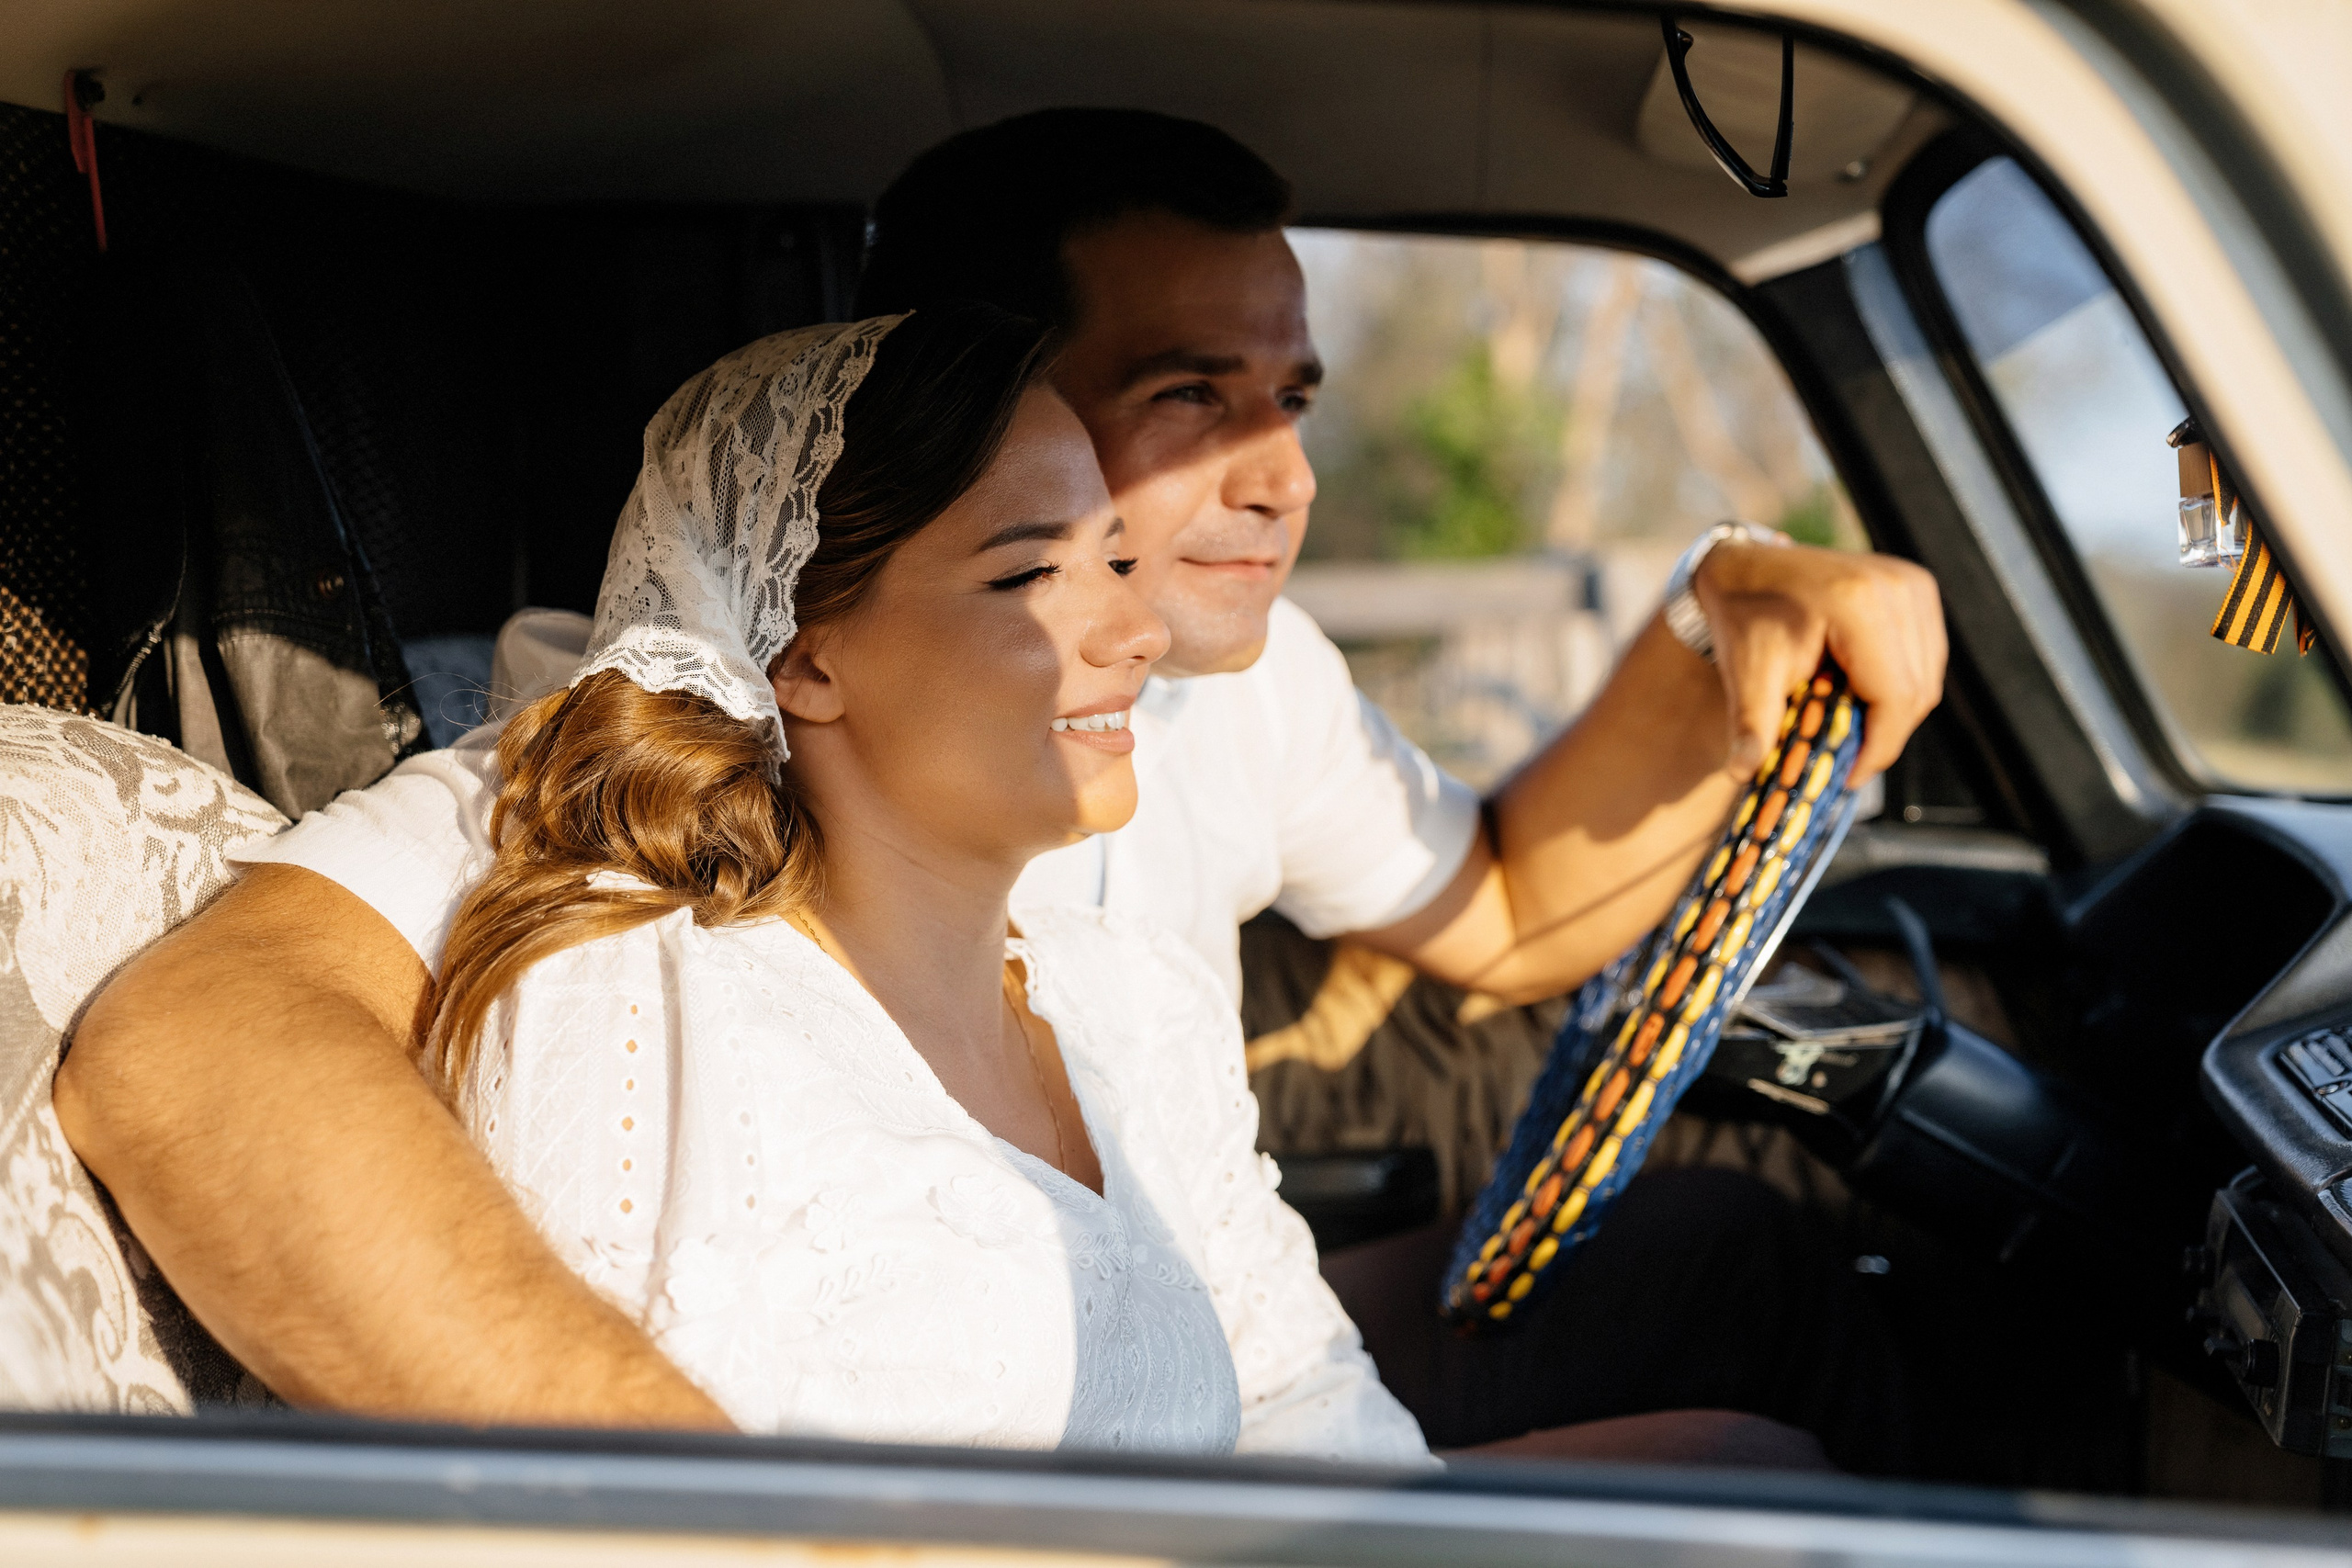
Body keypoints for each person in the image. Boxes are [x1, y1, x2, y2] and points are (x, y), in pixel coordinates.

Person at [56, 110, 1939, 1461]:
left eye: (1293, 398)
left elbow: (1517, 906)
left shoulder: (1244, 682)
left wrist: (1726, 609)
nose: (1279, 475)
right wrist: (678, 1497)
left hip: (1233, 1397)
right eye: (1192, 392)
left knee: (1744, 1360)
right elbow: (212, 1039)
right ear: (960, 390)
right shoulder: (644, 743)